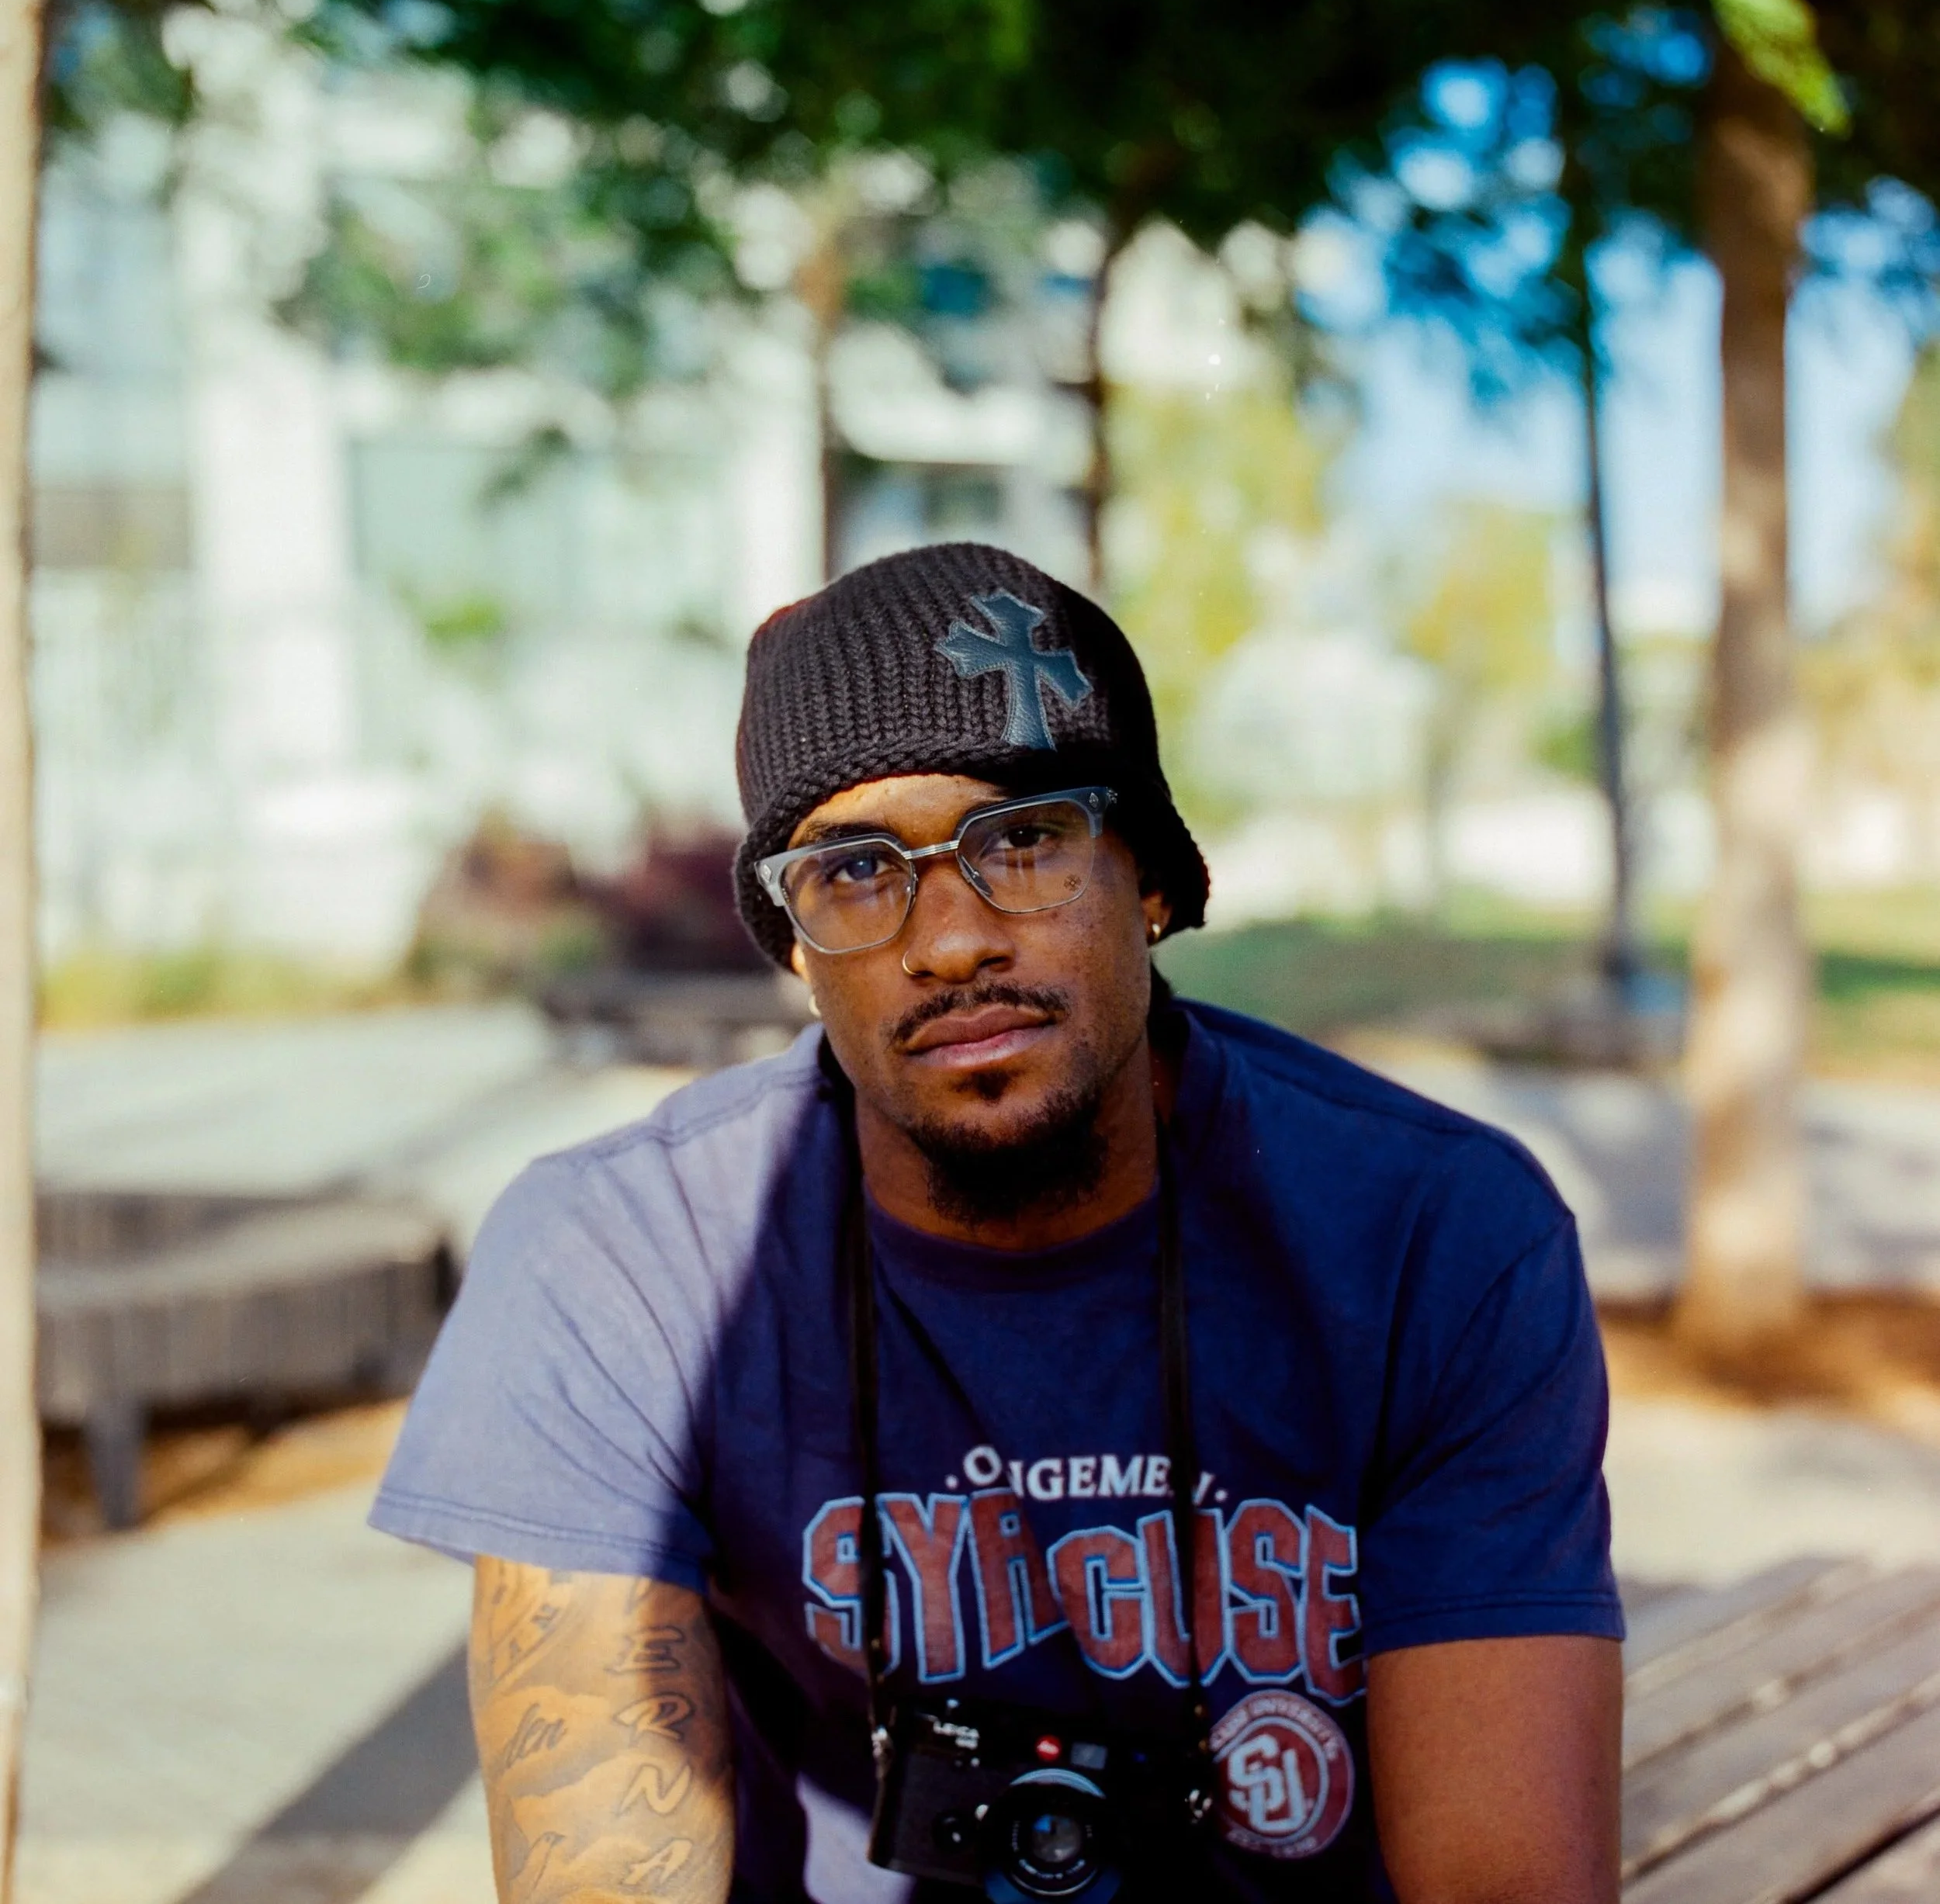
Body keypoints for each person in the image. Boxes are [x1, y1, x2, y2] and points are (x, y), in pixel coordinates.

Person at [372, 542, 1623, 1904]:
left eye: (1020, 838)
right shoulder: (620, 1263)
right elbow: (606, 1874)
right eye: (854, 870)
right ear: (793, 946)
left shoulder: (1432, 1235)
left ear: (1150, 874)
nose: (952, 937)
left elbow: (1506, 1882)